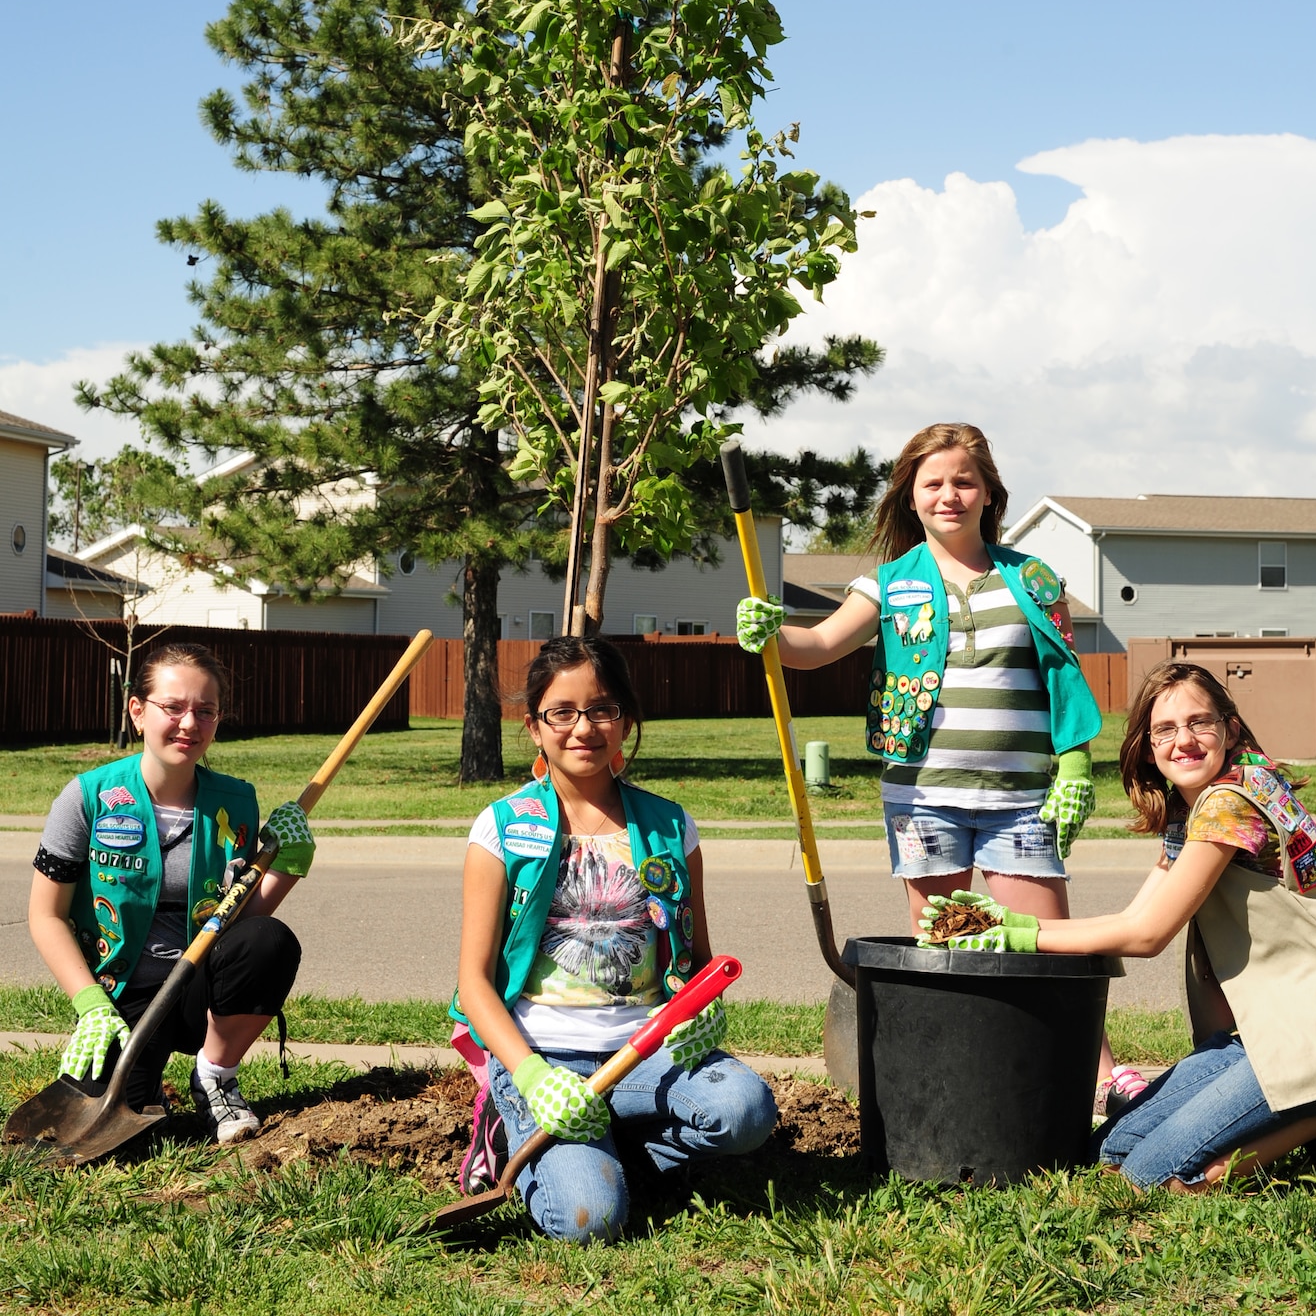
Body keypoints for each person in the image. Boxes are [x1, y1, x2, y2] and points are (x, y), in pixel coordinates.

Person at [735, 420, 1138, 1101]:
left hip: (1021, 797)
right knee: (949, 947)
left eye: (963, 481)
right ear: (910, 497)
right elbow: (819, 645)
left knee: (1046, 941)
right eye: (933, 483)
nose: (948, 494)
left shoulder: (1033, 580)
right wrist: (771, 631)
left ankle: (1100, 1078)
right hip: (924, 798)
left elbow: (1063, 675)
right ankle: (969, 1079)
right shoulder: (889, 583)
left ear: (988, 493)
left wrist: (1074, 765)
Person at [924, 661, 1316, 1189]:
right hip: (1264, 1032)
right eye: (1165, 729)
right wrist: (1009, 924)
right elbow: (1135, 918)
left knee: (1151, 1177)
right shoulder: (1199, 808)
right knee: (1111, 1149)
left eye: (1199, 723)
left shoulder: (1230, 805)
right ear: (1148, 747)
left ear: (1229, 729)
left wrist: (1019, 933)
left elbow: (1147, 936)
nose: (1183, 740)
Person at [453, 633, 777, 1243]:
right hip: (545, 1060)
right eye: (563, 713)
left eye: (602, 709)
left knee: (746, 1112)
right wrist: (528, 1076)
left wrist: (706, 1009)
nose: (584, 728)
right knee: (589, 1222)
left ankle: (616, 1153)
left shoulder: (671, 825)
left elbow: (699, 960)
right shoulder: (500, 827)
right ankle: (514, 1130)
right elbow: (473, 984)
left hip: (649, 1056)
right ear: (534, 727)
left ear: (624, 720)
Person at [29, 643, 315, 1144]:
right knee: (130, 1134)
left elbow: (239, 923)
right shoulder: (88, 797)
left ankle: (215, 1076)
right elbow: (46, 915)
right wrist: (90, 1004)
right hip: (122, 992)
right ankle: (131, 1067)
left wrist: (285, 868)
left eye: (206, 711)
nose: (190, 723)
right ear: (138, 711)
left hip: (197, 984)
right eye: (174, 707)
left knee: (269, 941)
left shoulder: (235, 802)